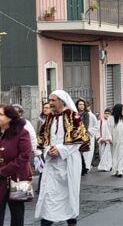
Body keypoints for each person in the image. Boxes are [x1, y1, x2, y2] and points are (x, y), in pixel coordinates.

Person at [35, 90, 90, 226]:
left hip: (69, 161)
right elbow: (43, 140)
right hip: (52, 163)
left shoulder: (73, 116)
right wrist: (49, 150)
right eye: (49, 100)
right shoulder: (49, 118)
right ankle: (46, 221)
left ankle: (71, 220)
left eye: (53, 100)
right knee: (49, 193)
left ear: (61, 101)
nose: (50, 103)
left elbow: (79, 140)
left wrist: (60, 150)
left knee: (69, 193)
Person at [0, 104, 32, 226]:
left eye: (1, 114)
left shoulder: (22, 133)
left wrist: (3, 171)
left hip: (18, 179)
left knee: (17, 213)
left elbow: (24, 156)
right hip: (1, 181)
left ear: (10, 117)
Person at [75, 99, 98, 175]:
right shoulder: (75, 113)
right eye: (80, 104)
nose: (81, 106)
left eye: (83, 104)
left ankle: (85, 167)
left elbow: (91, 125)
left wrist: (88, 132)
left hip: (85, 135)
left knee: (85, 153)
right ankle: (82, 168)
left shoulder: (88, 115)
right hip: (76, 136)